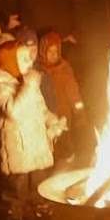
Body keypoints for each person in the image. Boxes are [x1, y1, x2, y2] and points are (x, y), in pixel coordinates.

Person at [0, 30, 64, 220]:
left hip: (37, 147)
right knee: (15, 193)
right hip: (18, 150)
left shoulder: (27, 82)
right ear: (10, 63)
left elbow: (41, 108)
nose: (30, 62)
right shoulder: (1, 85)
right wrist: (29, 85)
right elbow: (14, 111)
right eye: (24, 59)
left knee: (40, 189)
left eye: (29, 58)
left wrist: (53, 121)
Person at [37, 29, 89, 164]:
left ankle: (66, 165)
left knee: (64, 146)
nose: (53, 55)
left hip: (63, 117)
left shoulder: (64, 69)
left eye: (56, 51)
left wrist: (80, 113)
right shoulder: (38, 70)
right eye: (50, 51)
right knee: (47, 148)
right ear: (43, 51)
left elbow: (74, 94)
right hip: (44, 117)